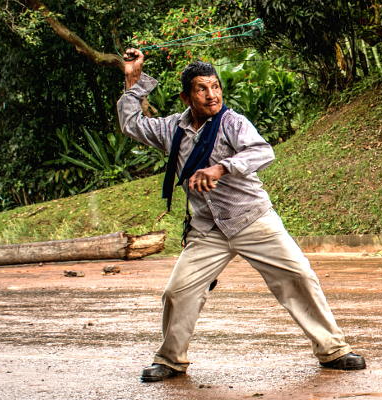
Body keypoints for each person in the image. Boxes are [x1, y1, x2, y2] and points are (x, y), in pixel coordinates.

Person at [118, 48, 366, 382]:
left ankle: (333, 350)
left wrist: (221, 168)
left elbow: (262, 151)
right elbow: (131, 124)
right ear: (186, 96)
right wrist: (133, 78)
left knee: (299, 277)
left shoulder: (233, 122)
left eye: (215, 86)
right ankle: (171, 360)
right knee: (178, 292)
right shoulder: (171, 130)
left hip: (252, 218)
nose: (212, 94)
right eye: (202, 89)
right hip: (208, 229)